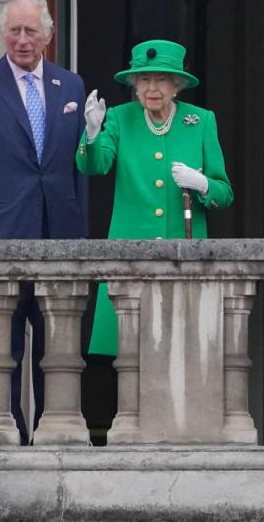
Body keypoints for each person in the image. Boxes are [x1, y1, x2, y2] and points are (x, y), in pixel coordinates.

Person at [0, 0, 88, 445]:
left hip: (58, 240)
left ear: (48, 34)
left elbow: (78, 169)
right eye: (15, 30)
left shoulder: (71, 87)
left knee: (58, 352)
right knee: (1, 353)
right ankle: (8, 434)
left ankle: (52, 433)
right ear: (2, 33)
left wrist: (80, 240)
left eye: (31, 31)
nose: (22, 40)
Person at [78, 39, 233, 357]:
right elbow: (94, 165)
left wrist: (202, 184)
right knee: (129, 356)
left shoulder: (200, 121)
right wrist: (92, 134)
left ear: (177, 85)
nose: (152, 87)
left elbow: (224, 194)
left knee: (183, 354)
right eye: (145, 79)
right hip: (130, 257)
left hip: (184, 261)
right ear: (134, 85)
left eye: (161, 79)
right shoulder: (121, 118)